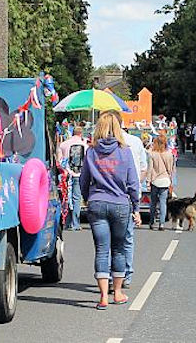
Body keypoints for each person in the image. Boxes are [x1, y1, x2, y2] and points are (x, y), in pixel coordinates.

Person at [79, 111, 140, 309]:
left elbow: (83, 180)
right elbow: (133, 183)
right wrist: (136, 207)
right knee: (119, 249)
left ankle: (103, 296)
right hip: (120, 204)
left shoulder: (91, 151)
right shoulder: (125, 151)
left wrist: (89, 199)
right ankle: (118, 292)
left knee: (102, 250)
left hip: (97, 202)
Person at [120, 123, 148, 286]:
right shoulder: (136, 142)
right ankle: (127, 275)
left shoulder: (100, 143)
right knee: (127, 237)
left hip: (107, 195)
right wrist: (137, 185)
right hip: (130, 194)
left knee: (110, 240)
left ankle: (111, 275)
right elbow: (144, 169)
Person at [57, 126, 88, 231]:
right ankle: (75, 223)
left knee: (66, 198)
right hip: (79, 175)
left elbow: (59, 161)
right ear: (81, 134)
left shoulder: (63, 144)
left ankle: (67, 222)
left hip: (66, 175)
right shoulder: (85, 145)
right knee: (76, 199)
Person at [146, 135, 176, 230]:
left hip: (155, 181)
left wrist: (148, 181)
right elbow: (171, 170)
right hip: (165, 181)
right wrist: (171, 181)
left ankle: (151, 222)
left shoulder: (152, 154)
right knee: (163, 203)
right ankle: (162, 224)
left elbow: (150, 169)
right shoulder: (169, 154)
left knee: (153, 203)